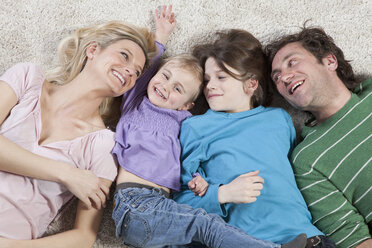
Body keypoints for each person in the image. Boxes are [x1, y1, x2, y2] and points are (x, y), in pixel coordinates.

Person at [111, 7, 307, 248]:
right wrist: (160, 36)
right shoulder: (137, 105)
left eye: (178, 89)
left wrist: (199, 182)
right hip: (136, 201)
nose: (165, 86)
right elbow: (146, 71)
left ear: (187, 106)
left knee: (197, 231)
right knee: (205, 226)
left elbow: (186, 169)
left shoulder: (183, 122)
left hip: (162, 205)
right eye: (165, 76)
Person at [173, 29, 336, 248]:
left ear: (251, 84)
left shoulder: (279, 119)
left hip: (308, 237)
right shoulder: (196, 127)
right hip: (252, 241)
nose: (210, 85)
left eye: (221, 77)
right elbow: (178, 204)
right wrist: (222, 193)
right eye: (207, 79)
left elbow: (297, 175)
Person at [0, 20, 155, 247]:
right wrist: (69, 174)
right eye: (124, 55)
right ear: (92, 50)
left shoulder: (104, 146)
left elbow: (84, 236)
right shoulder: (27, 78)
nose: (131, 70)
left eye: (137, 72)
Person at [265, 26, 372, 248]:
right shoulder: (306, 161)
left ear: (330, 61)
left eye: (292, 62)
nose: (283, 77)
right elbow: (353, 239)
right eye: (276, 77)